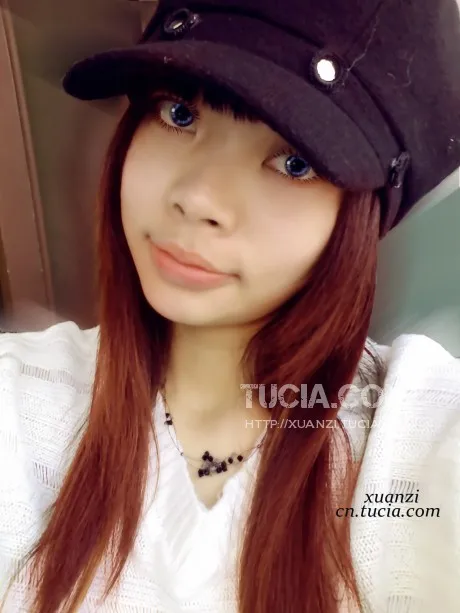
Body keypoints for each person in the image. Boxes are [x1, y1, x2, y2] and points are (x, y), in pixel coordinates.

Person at [1, 0, 460, 611]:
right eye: (179, 112)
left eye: (294, 162)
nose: (197, 198)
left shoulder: (412, 429)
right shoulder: (23, 399)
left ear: (360, 220)